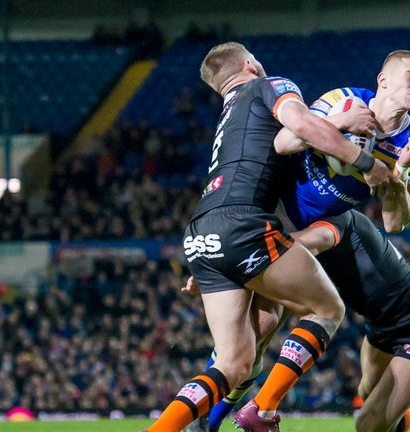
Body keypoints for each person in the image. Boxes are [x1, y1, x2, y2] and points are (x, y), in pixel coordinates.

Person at [192, 50, 410, 432]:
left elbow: (396, 221)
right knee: (258, 331)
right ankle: (211, 420)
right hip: (277, 210)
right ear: (383, 80)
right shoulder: (343, 99)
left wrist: (396, 176)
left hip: (318, 230)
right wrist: (339, 123)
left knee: (262, 328)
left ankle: (211, 421)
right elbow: (283, 142)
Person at [144, 42, 391, 432]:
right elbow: (304, 126)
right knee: (327, 310)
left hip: (201, 235)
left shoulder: (230, 114)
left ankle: (164, 429)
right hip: (244, 225)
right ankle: (260, 413)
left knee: (235, 362)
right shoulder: (268, 85)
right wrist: (364, 161)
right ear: (249, 64)